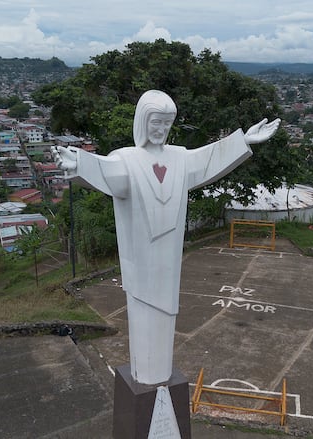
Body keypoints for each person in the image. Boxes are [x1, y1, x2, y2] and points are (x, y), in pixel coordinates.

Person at [54, 90, 279, 384]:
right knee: (144, 319)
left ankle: (158, 374)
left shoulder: (179, 158)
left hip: (169, 264)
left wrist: (243, 141)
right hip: (142, 264)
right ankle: (146, 376)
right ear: (142, 122)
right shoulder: (127, 158)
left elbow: (208, 158)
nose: (160, 130)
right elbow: (107, 171)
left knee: (165, 319)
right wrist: (79, 164)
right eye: (155, 122)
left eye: (166, 124)